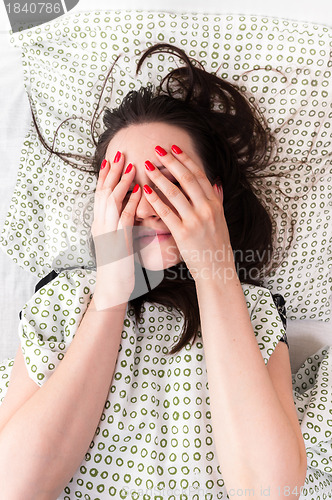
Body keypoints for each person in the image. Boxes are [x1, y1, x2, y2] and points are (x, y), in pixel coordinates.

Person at [0, 43, 307, 499]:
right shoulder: (64, 301)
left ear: (214, 197)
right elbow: (15, 487)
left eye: (172, 183)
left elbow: (270, 491)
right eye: (124, 189)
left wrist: (215, 269)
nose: (147, 206)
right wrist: (112, 288)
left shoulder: (255, 311)